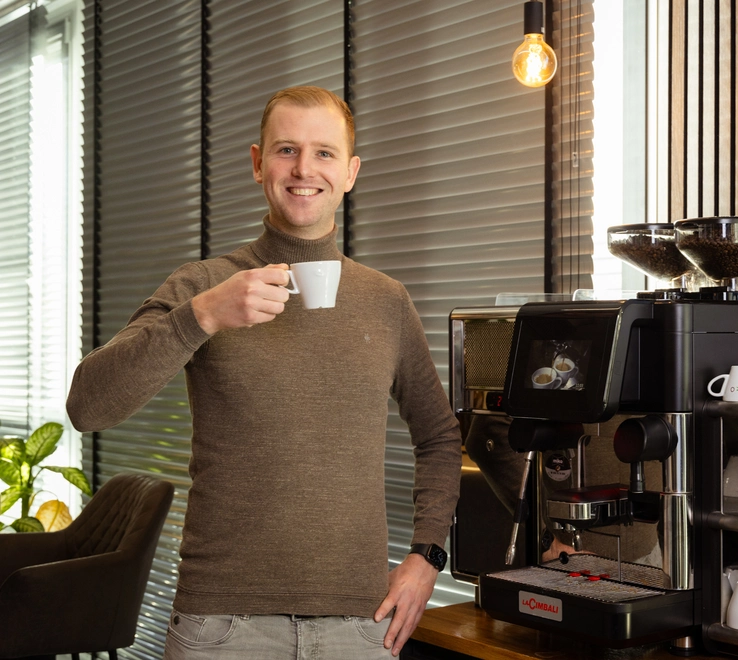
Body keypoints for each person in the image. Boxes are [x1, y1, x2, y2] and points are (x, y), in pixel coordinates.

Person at [66, 86, 462, 659]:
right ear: (258, 163)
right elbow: (87, 406)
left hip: (359, 626)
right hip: (221, 628)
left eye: (324, 153)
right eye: (286, 150)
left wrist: (427, 556)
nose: (304, 169)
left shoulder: (386, 300)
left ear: (350, 173)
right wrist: (202, 316)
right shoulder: (203, 286)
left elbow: (440, 437)